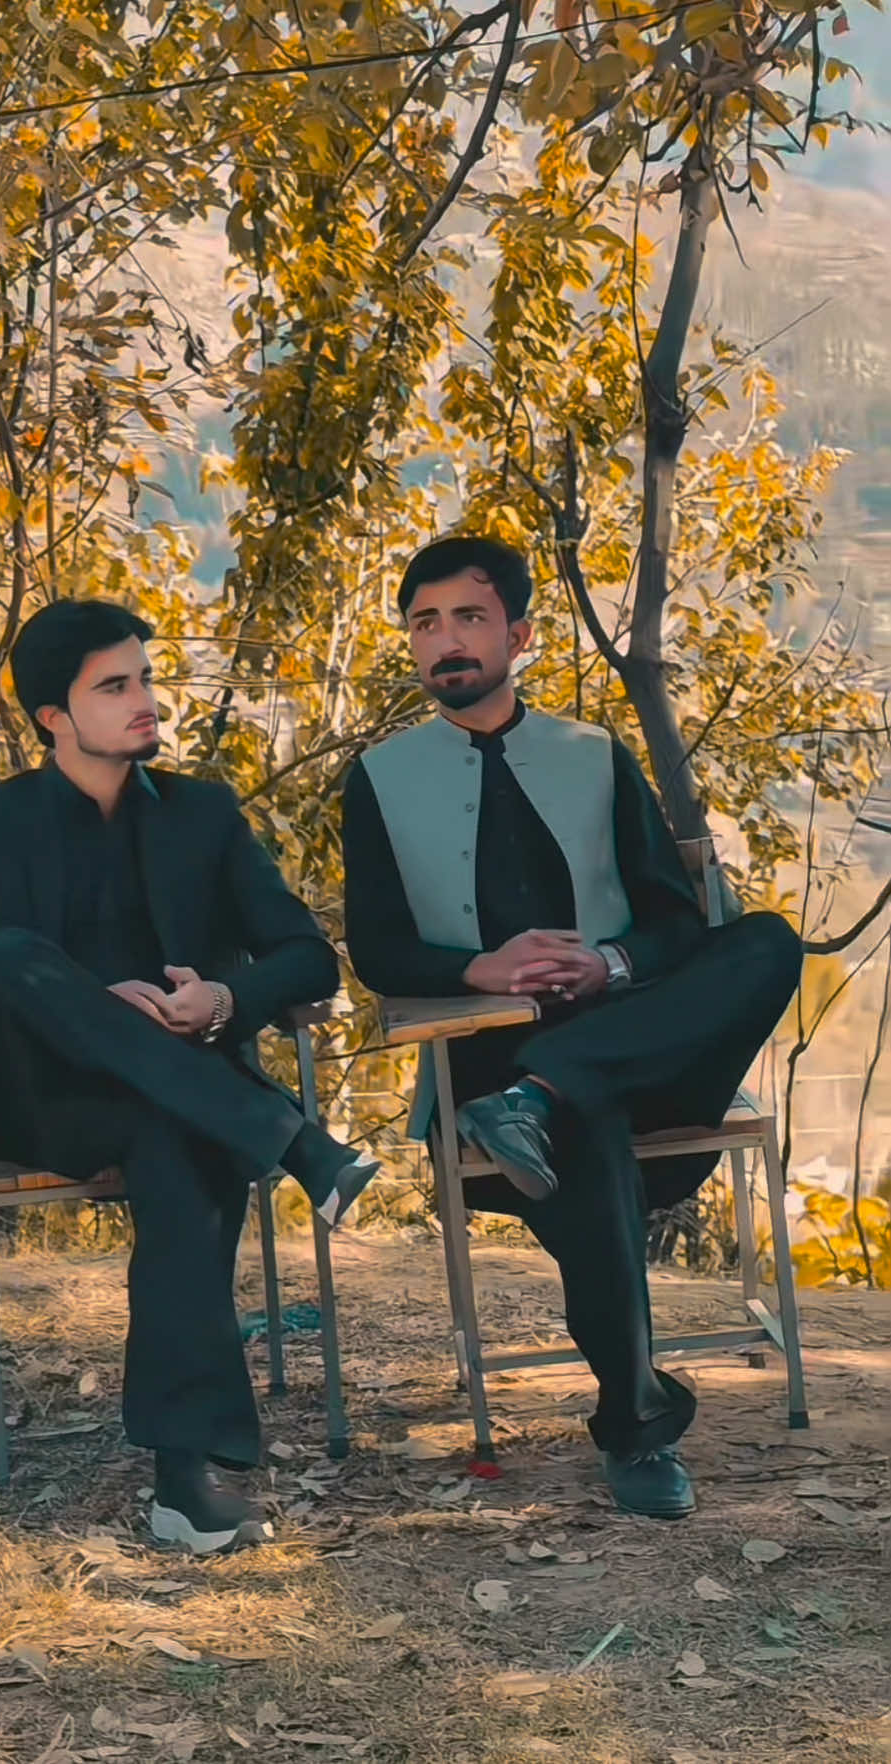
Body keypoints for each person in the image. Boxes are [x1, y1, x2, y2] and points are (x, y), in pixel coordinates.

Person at [341, 534, 802, 1519]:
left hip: (641, 1048)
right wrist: (476, 968)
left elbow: (676, 923)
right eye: (425, 623)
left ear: (517, 636)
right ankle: (636, 1427)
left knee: (765, 940)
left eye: (469, 617)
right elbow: (376, 949)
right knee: (579, 1126)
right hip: (488, 1071)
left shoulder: (593, 756)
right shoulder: (378, 777)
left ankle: (547, 1087)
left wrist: (609, 964)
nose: (445, 640)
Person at [0, 598, 378, 1553]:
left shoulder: (202, 814)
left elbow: (307, 958)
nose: (146, 701)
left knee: (178, 1143)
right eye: (114, 686)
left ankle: (181, 1483)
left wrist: (222, 999)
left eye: (146, 679)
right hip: (41, 1102)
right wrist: (84, 1000)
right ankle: (293, 1141)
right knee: (8, 957)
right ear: (54, 715)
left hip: (174, 1097)